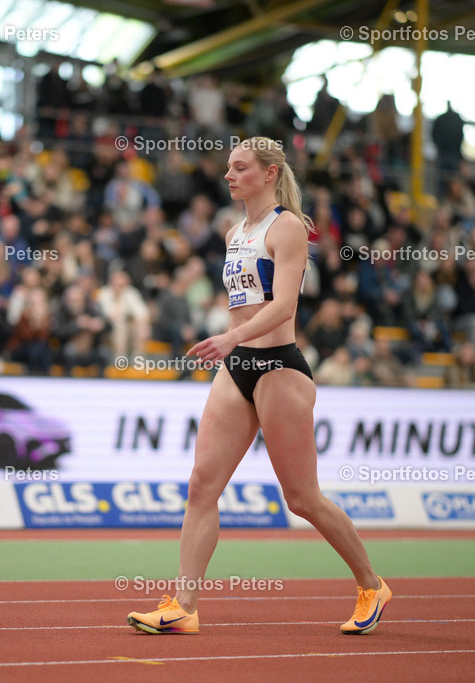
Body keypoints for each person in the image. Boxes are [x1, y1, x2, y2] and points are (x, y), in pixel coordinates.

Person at [126, 137, 390, 636]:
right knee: (202, 486)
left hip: (278, 368)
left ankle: (371, 585)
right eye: (228, 167)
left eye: (240, 167)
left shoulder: (287, 227)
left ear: (269, 174)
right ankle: (184, 606)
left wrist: (231, 337)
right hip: (237, 366)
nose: (229, 175)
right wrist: (232, 341)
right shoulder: (234, 231)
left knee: (302, 498)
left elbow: (284, 306)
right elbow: (243, 303)